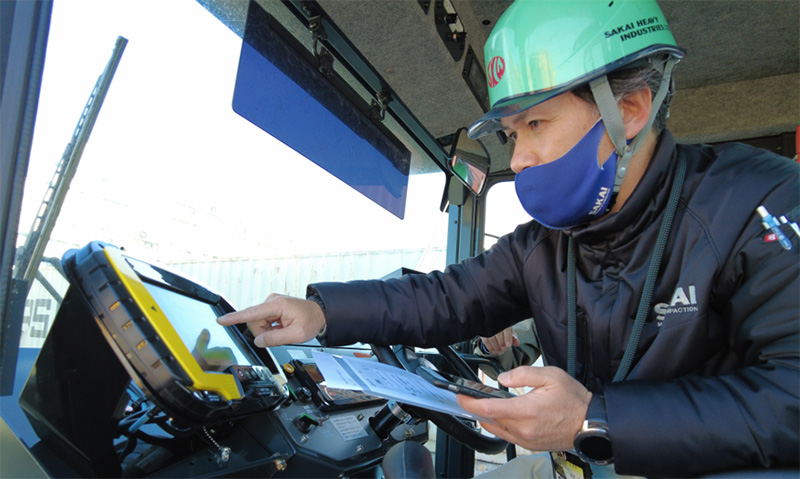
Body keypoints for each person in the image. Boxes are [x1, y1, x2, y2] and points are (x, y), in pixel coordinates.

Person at [218, 0, 800, 476]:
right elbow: (444, 299)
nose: (519, 159)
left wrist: (593, 421)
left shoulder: (760, 202)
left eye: (536, 125)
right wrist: (320, 313)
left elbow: (790, 400)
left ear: (628, 109)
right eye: (510, 134)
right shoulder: (544, 244)